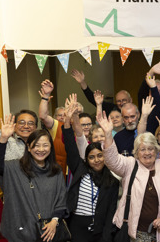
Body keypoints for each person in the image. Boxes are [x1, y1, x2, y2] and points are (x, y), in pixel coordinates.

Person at [99, 112, 160, 242]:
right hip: (137, 234)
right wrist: (108, 134)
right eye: (142, 149)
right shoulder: (130, 164)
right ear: (136, 152)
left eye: (151, 149)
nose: (147, 153)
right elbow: (112, 160)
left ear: (156, 150)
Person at [0, 115, 67, 242]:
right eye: (36, 145)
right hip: (21, 230)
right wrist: (3, 138)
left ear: (50, 147)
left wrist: (54, 221)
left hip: (49, 231)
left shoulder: (56, 171)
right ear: (29, 147)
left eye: (45, 145)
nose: (41, 149)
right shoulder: (16, 166)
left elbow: (61, 200)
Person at [62, 101, 119, 242]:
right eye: (92, 157)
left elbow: (111, 212)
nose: (96, 160)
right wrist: (68, 121)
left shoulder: (112, 181)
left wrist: (106, 238)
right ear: (86, 159)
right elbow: (70, 145)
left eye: (100, 156)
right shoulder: (80, 170)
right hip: (77, 225)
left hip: (99, 228)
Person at [0, 80, 38, 161]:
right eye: (22, 122)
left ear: (36, 127)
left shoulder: (41, 145)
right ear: (14, 127)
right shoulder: (7, 142)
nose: (26, 126)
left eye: (30, 123)